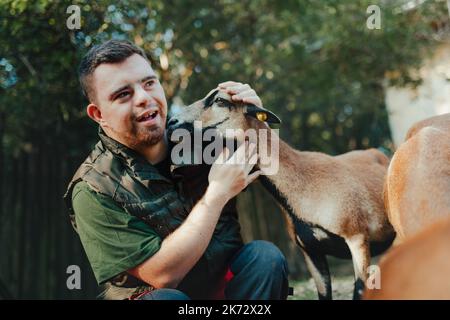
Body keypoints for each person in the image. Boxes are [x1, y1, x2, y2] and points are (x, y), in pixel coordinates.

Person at [64, 39, 288, 300]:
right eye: (123, 94)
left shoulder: (199, 138)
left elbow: (271, 163)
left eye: (149, 83)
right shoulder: (92, 188)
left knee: (265, 258)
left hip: (219, 291)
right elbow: (163, 277)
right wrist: (217, 193)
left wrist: (251, 118)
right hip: (155, 296)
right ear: (98, 113)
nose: (144, 98)